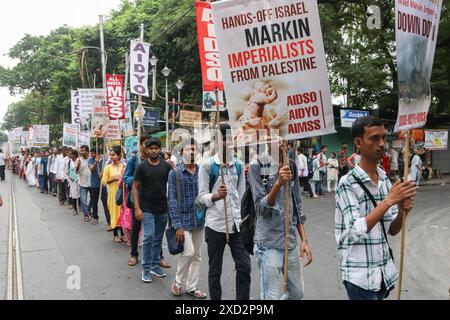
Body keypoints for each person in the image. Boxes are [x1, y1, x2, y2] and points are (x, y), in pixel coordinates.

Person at [335, 116, 417, 300]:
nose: (382, 144)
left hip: (382, 274)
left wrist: (404, 211)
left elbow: (392, 230)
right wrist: (388, 201)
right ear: (358, 143)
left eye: (383, 138)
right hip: (360, 278)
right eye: (374, 138)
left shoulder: (384, 179)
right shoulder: (347, 183)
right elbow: (355, 231)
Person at [248, 138, 312, 300]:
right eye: (274, 137)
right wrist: (278, 183)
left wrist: (304, 240)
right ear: (267, 140)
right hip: (268, 243)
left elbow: (297, 205)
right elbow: (260, 208)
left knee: (297, 293)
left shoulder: (292, 165)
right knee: (270, 297)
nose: (280, 142)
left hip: (289, 242)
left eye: (283, 137)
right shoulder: (257, 166)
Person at [197, 123, 251, 300]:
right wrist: (215, 196)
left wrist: (246, 220)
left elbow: (242, 196)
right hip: (215, 225)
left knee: (244, 266)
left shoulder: (238, 166)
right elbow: (200, 197)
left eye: (229, 138)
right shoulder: (207, 166)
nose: (227, 142)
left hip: (236, 224)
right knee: (215, 269)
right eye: (223, 139)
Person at [169, 138, 207, 299]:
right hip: (183, 221)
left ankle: (191, 286)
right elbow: (171, 199)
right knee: (189, 251)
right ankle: (177, 282)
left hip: (199, 219)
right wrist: (177, 225)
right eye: (188, 149)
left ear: (197, 152)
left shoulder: (203, 171)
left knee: (197, 255)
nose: (191, 152)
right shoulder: (175, 173)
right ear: (181, 152)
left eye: (194, 149)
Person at [133, 138, 172, 283]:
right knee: (148, 236)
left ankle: (155, 266)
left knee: (157, 238)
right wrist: (137, 208)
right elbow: (135, 188)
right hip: (146, 207)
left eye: (156, 148)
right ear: (147, 150)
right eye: (151, 148)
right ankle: (145, 268)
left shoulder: (166, 166)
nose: (154, 150)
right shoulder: (141, 167)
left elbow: (173, 184)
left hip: (162, 208)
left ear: (160, 149)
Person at [124, 135, 149, 267]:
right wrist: (136, 181)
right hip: (137, 198)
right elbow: (126, 177)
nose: (149, 147)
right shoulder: (134, 160)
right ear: (140, 145)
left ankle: (159, 256)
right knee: (136, 227)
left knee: (154, 229)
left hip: (152, 198)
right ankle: (134, 255)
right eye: (146, 143)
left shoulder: (156, 160)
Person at [102, 146, 126, 242]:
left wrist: (123, 177)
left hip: (123, 193)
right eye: (110, 155)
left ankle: (123, 233)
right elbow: (103, 181)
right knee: (114, 212)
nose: (111, 157)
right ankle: (115, 234)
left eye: (113, 155)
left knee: (122, 212)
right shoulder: (108, 167)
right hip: (112, 194)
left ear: (119, 155)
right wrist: (114, 178)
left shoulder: (124, 166)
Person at [88, 148, 110, 227]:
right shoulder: (90, 160)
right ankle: (95, 217)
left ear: (98, 154)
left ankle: (109, 221)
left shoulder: (105, 160)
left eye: (93, 153)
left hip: (103, 185)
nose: (91, 155)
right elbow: (92, 170)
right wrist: (96, 162)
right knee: (94, 202)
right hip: (94, 184)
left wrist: (103, 173)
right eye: (91, 153)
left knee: (105, 203)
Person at [77, 145, 91, 220]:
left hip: (92, 183)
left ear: (87, 151)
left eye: (83, 150)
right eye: (81, 150)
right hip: (82, 182)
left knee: (93, 199)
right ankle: (86, 214)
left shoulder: (92, 159)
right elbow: (76, 171)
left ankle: (89, 209)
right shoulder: (79, 160)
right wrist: (78, 165)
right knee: (83, 200)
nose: (81, 152)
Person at [68, 149, 81, 216]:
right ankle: (75, 209)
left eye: (71, 154)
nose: (69, 155)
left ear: (74, 155)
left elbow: (77, 171)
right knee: (73, 194)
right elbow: (70, 170)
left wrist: (78, 165)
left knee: (79, 194)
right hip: (72, 180)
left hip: (79, 179)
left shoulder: (78, 161)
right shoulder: (70, 161)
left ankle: (80, 206)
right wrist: (69, 176)